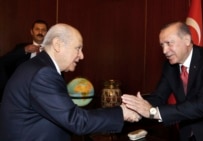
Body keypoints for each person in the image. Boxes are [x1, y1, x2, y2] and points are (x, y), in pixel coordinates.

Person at [0, 23, 141, 141]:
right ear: (57, 45)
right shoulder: (43, 73)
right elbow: (76, 121)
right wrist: (121, 113)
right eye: (78, 48)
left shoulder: (39, 66)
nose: (82, 55)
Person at [122, 21, 203, 141]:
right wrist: (135, 108)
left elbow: (202, 106)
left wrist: (152, 112)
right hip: (188, 133)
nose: (164, 51)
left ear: (187, 40)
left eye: (169, 43)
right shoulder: (170, 66)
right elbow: (158, 97)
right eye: (162, 45)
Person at [0, 19, 49, 101]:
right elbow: (3, 61)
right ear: (31, 32)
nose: (40, 32)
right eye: (37, 29)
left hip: (44, 91)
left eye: (43, 30)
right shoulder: (21, 48)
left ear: (47, 33)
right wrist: (24, 50)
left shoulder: (52, 50)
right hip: (21, 90)